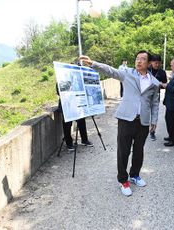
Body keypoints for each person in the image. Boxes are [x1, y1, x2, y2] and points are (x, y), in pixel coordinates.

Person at [79, 51, 160, 197]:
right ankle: (123, 180)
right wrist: (93, 64)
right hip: (126, 119)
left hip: (143, 122)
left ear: (149, 64)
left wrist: (154, 120)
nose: (139, 61)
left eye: (143, 59)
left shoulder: (154, 82)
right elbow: (111, 71)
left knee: (139, 150)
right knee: (123, 151)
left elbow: (154, 103)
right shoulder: (127, 73)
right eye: (137, 58)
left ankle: (135, 175)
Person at [56, 86, 94, 151]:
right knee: (67, 124)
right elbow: (59, 91)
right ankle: (69, 144)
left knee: (81, 121)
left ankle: (84, 140)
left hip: (77, 102)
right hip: (66, 103)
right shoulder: (61, 77)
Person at [148, 54, 167, 141]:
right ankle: (143, 130)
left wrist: (159, 84)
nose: (157, 65)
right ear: (151, 62)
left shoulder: (162, 72)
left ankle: (152, 132)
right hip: (146, 96)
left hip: (156, 95)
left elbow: (165, 85)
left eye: (159, 63)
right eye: (155, 63)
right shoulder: (147, 70)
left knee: (154, 113)